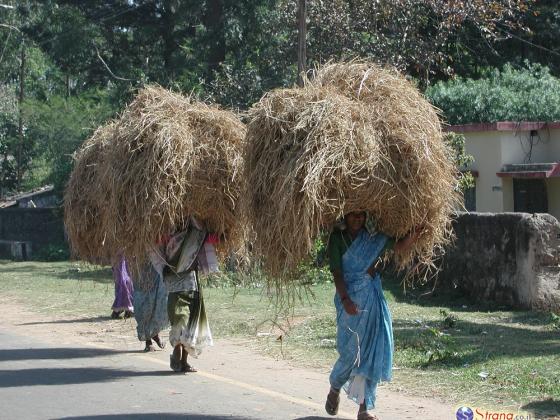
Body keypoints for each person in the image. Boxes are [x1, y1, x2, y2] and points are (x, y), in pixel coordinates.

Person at [324, 211, 423, 420]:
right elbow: (337, 273)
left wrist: (416, 233)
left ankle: (364, 408)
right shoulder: (337, 238)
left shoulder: (372, 238)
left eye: (361, 216)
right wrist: (346, 300)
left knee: (371, 351)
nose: (357, 220)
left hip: (372, 298)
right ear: (345, 216)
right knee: (350, 352)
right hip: (349, 300)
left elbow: (399, 246)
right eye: (353, 216)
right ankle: (335, 386)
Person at [152, 217, 218, 373]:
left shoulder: (196, 232)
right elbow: (154, 247)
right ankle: (178, 348)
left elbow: (212, 238)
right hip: (173, 278)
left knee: (191, 320)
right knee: (180, 315)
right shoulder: (165, 232)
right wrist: (164, 267)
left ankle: (184, 361)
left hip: (190, 279)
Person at [133, 262, 168, 352]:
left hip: (157, 268)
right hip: (140, 269)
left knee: (158, 302)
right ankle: (148, 341)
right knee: (142, 304)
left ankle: (155, 333)